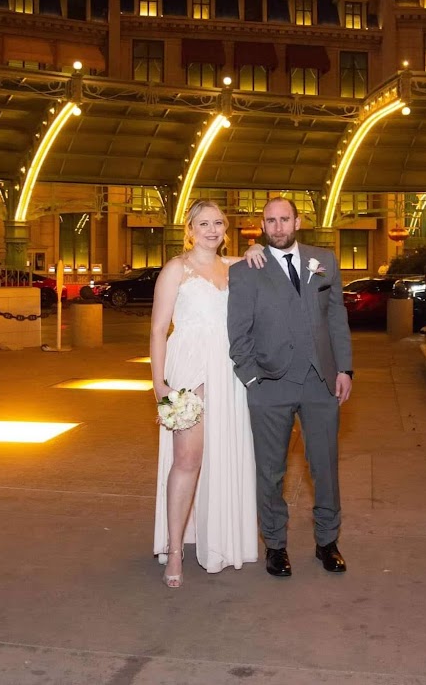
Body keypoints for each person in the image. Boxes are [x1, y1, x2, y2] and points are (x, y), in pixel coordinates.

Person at [227, 197, 353, 579]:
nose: (278, 227)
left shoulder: (324, 260)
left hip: (321, 382)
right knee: (270, 471)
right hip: (270, 384)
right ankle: (276, 546)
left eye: (284, 219)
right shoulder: (247, 269)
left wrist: (344, 369)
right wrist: (251, 378)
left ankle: (327, 542)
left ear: (298, 221)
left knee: (325, 468)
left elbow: (336, 318)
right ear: (261, 226)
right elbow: (238, 331)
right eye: (271, 221)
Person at [150, 199, 265, 588]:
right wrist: (160, 385)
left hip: (229, 372)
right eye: (204, 223)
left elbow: (262, 262)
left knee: (224, 454)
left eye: (218, 222)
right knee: (187, 459)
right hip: (190, 371)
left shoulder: (233, 267)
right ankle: (176, 548)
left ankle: (219, 539)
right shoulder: (176, 269)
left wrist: (255, 248)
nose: (212, 229)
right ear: (190, 228)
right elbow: (157, 330)